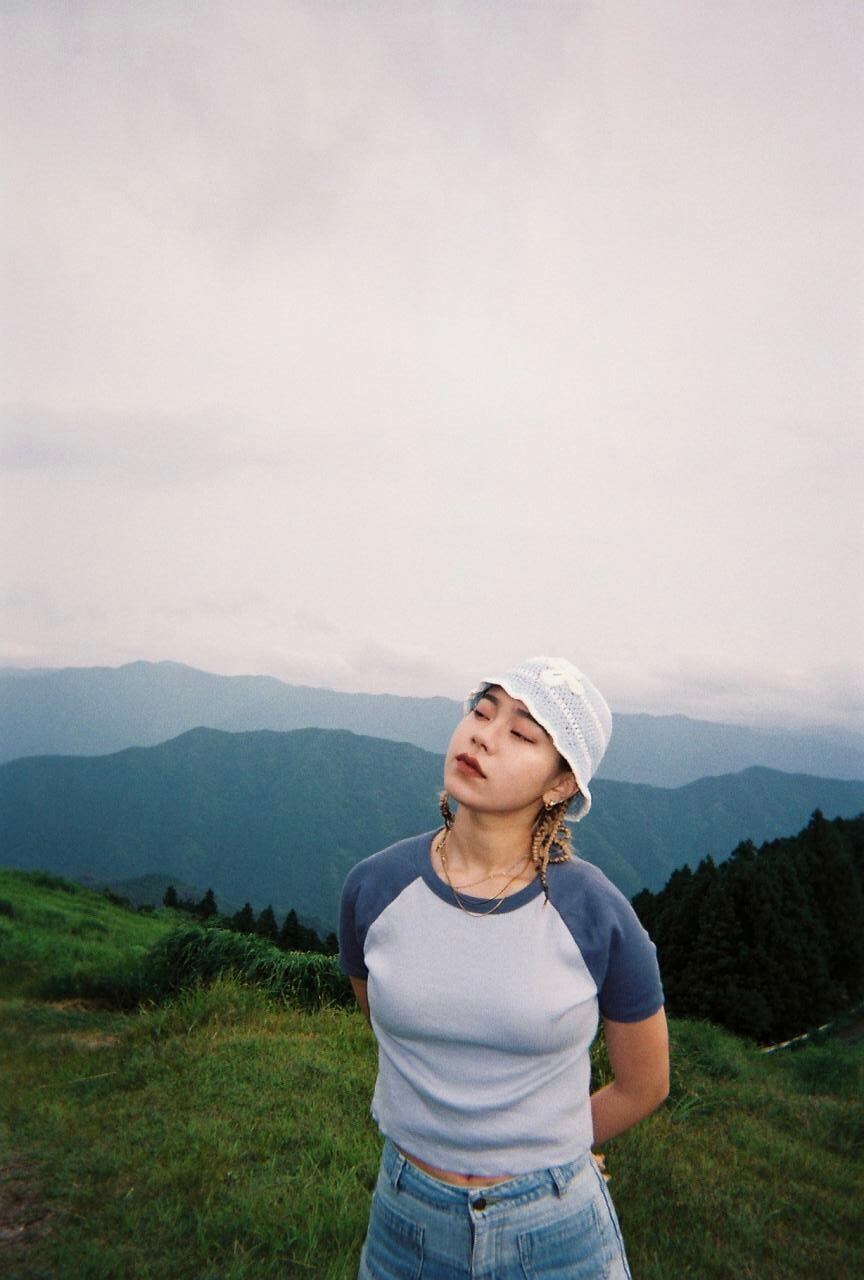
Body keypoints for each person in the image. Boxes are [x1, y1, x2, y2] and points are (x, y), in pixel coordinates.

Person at [339, 655, 669, 1279]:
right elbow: (380, 1016)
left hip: (557, 1232)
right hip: (406, 1223)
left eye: (521, 734)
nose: (484, 737)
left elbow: (644, 1084)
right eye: (481, 712)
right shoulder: (375, 888)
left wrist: (560, 1148)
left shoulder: (595, 914)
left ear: (560, 785)